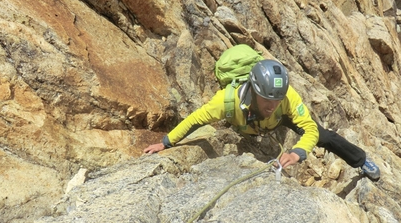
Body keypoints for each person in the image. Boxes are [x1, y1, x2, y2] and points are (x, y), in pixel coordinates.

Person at [144, 59, 380, 180]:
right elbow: (195, 120)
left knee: (325, 136)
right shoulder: (226, 102)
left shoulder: (285, 98)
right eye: (267, 99)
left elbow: (309, 129)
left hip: (279, 121)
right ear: (253, 90)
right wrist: (166, 142)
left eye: (276, 99)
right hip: (246, 120)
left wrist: (298, 152)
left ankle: (360, 161)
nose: (272, 104)